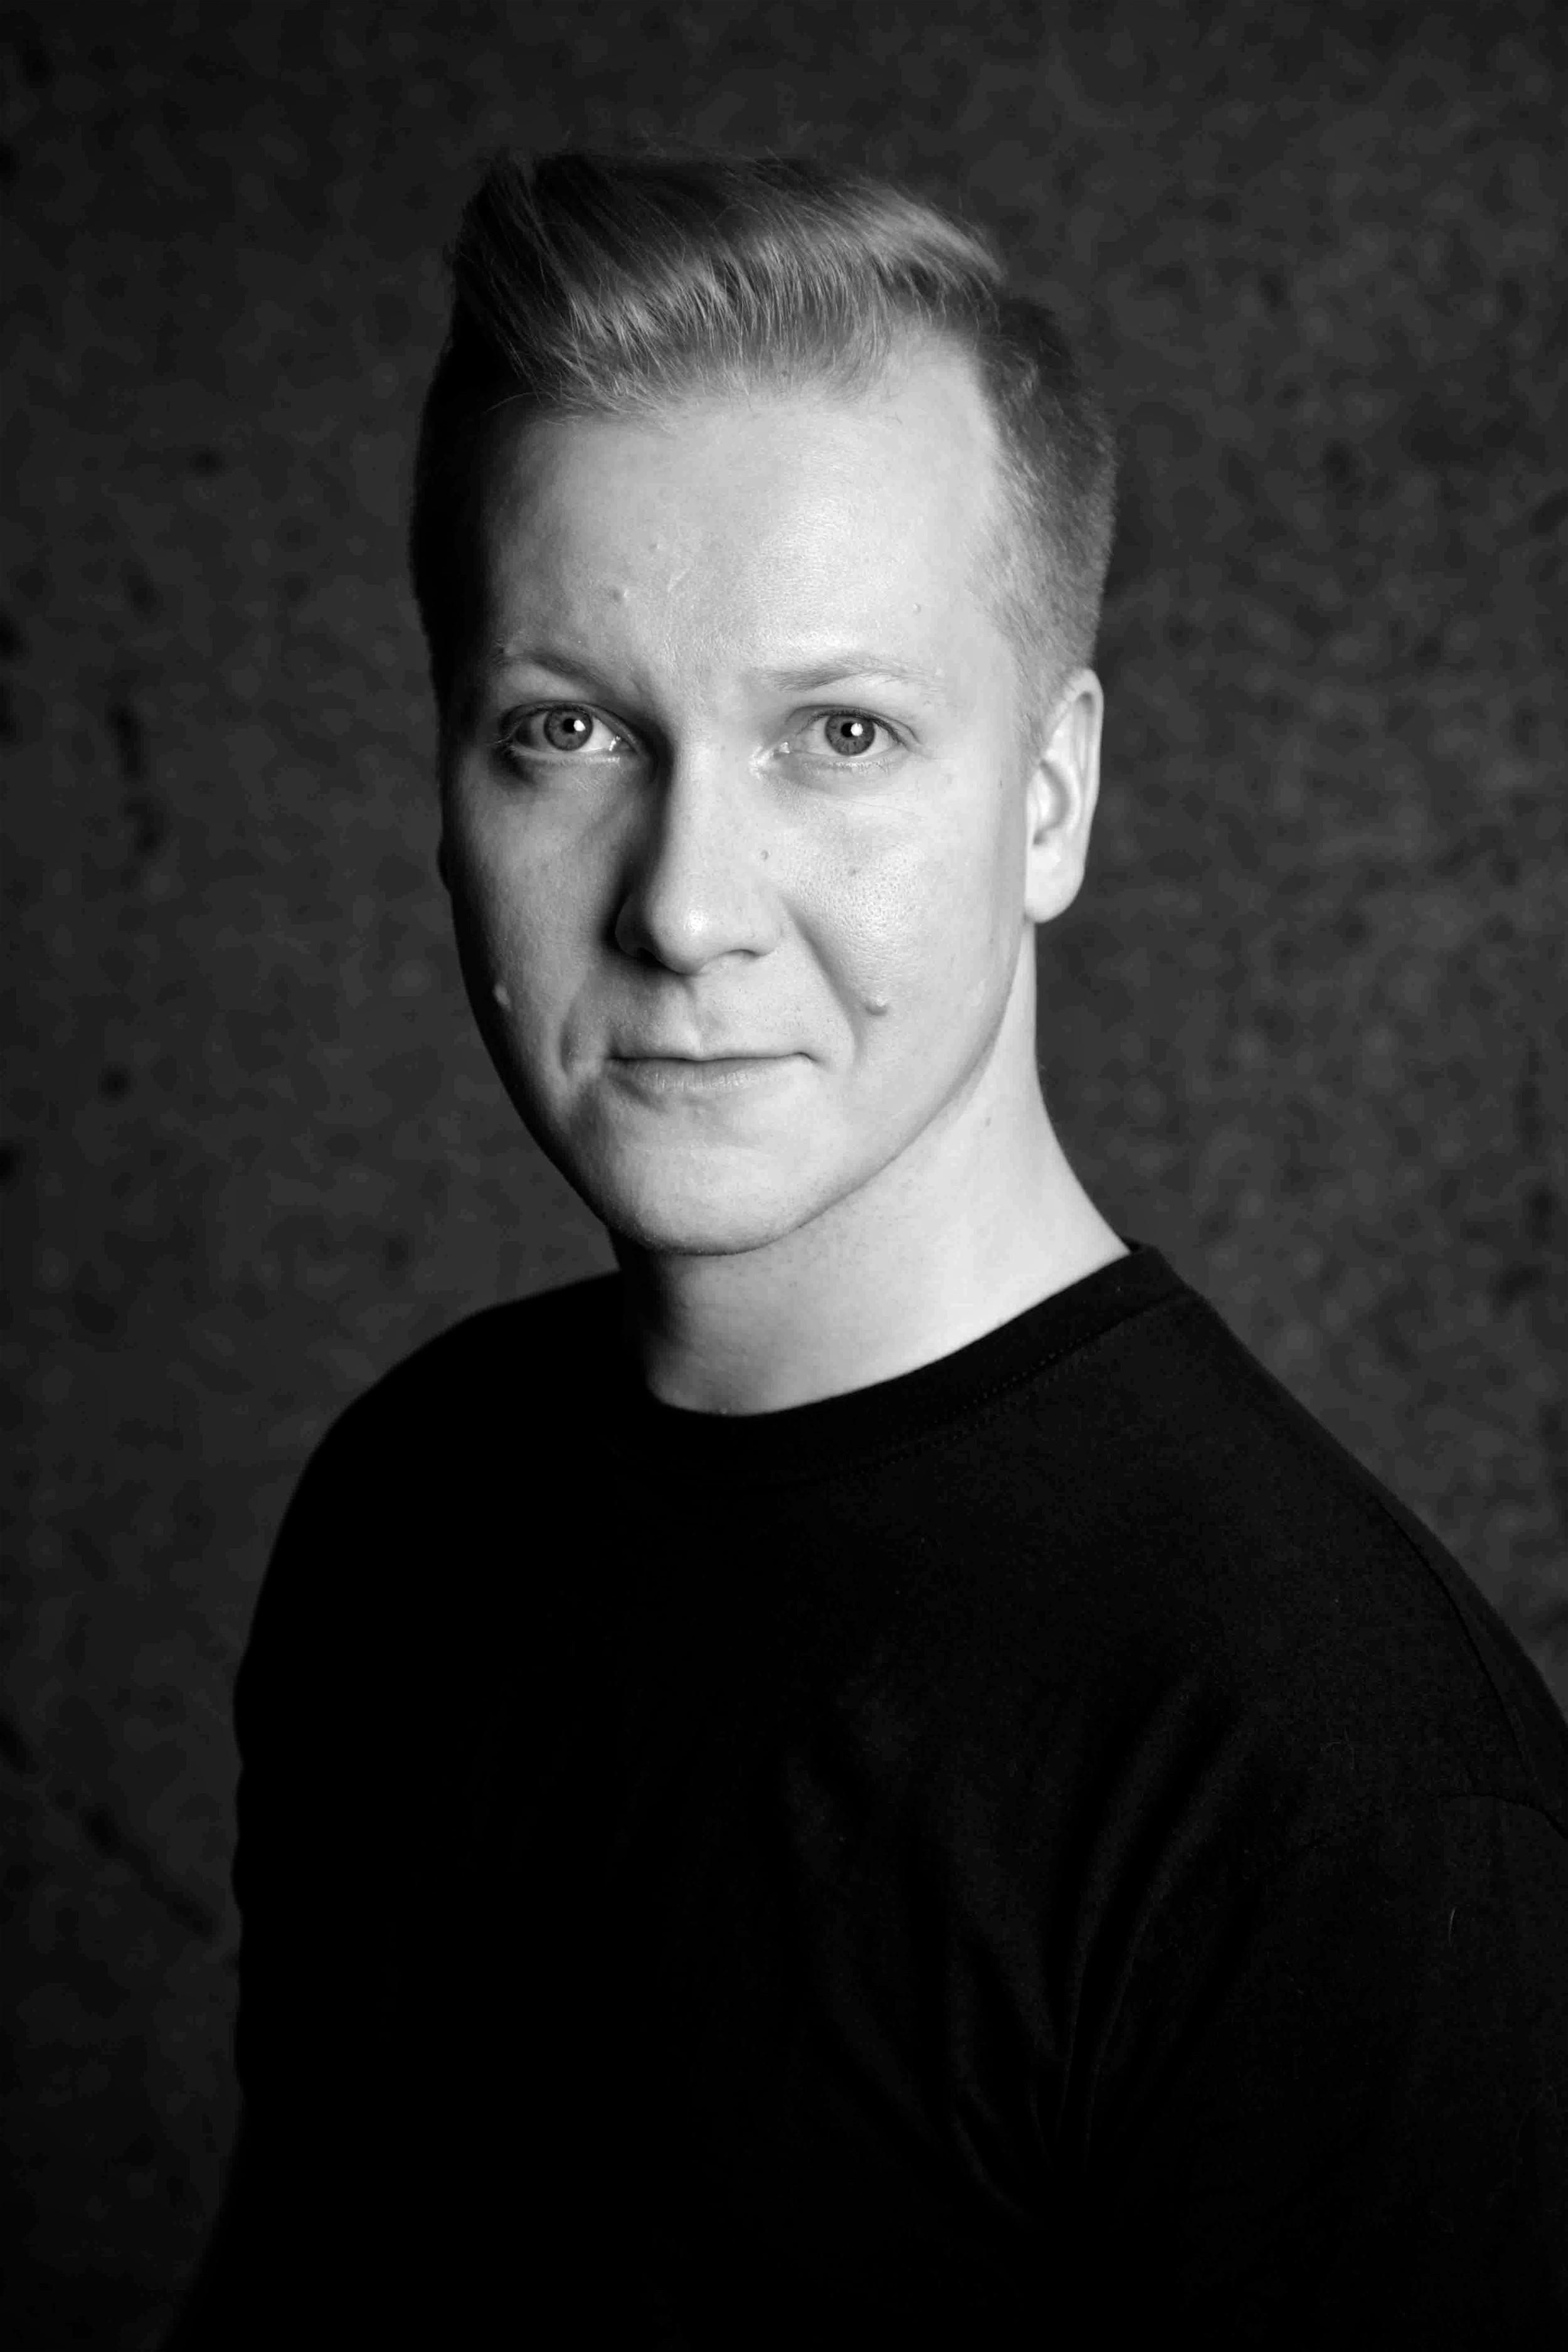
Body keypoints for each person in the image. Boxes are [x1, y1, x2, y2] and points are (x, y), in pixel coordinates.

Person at [166, 149, 1568, 2349]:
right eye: (565, 731)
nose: (684, 902)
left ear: (1050, 799)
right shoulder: (409, 1500)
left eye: (839, 735)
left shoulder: (1338, 1793)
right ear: (445, 777)